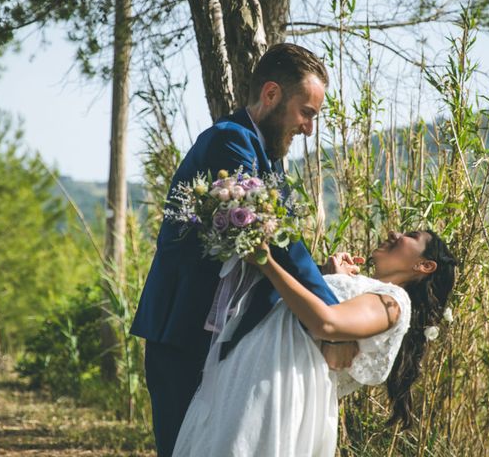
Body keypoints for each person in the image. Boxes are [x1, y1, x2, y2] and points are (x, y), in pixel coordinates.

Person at [130, 43, 358, 456]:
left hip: (223, 336)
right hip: (184, 330)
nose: (309, 128)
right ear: (271, 94)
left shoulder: (267, 159)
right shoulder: (230, 142)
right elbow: (278, 238)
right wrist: (333, 320)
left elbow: (276, 248)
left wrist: (323, 272)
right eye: (306, 112)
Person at [173, 230, 457, 456]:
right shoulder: (372, 291)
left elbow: (328, 324)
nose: (395, 234)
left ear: (424, 265)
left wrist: (266, 262)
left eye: (411, 235)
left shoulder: (395, 302)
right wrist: (330, 277)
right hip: (255, 367)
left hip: (280, 380)